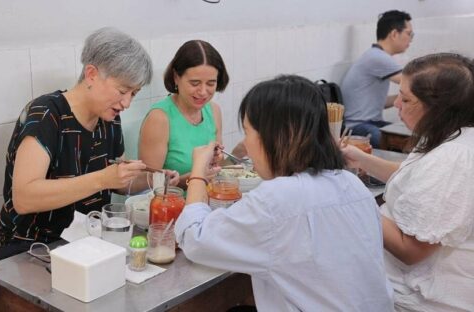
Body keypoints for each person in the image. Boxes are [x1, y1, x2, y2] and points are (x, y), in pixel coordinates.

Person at [175, 75, 394, 311]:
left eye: (248, 133)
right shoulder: (351, 183)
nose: (246, 145)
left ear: (281, 136)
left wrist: (198, 170)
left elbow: (195, 239)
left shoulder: (279, 198)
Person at [0, 27, 178, 260]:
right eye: (122, 90)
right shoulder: (46, 114)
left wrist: (153, 178)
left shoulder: (109, 119)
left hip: (87, 242)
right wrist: (103, 178)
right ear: (91, 74)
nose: (126, 103)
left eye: (133, 93)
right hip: (33, 248)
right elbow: (24, 198)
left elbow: (118, 182)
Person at [341, 53, 474, 311]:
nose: (397, 106)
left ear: (438, 109)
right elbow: (414, 176)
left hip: (425, 300)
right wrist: (359, 159)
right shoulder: (448, 133)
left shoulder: (452, 159)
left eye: (406, 99)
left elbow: (410, 250)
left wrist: (350, 196)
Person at [138, 40, 229, 188]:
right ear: (176, 77)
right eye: (195, 83)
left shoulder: (213, 111)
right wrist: (193, 178)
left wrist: (229, 156)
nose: (203, 92)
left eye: (211, 83)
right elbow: (148, 186)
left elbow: (217, 168)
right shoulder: (159, 118)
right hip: (175, 207)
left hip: (210, 201)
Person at [341, 10, 413, 147]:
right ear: (394, 34)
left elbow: (381, 103)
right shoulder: (377, 57)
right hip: (357, 127)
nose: (410, 39)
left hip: (370, 123)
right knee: (407, 142)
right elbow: (415, 83)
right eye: (409, 34)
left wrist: (402, 97)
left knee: (410, 137)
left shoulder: (375, 56)